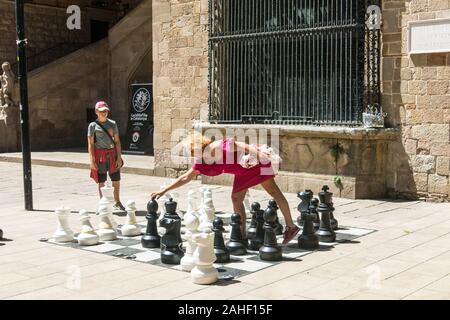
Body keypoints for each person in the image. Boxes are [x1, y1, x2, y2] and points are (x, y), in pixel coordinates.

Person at [150, 133, 300, 244]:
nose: (189, 154)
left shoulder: (216, 147)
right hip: (243, 171)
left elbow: (243, 146)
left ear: (196, 147)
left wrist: (261, 155)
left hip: (256, 162)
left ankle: (290, 227)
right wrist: (163, 191)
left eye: (189, 150)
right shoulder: (200, 161)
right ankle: (240, 234)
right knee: (236, 198)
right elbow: (185, 177)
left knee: (273, 192)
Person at [88, 101, 125, 212]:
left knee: (116, 180)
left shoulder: (112, 124)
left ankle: (117, 202)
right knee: (101, 181)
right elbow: (90, 144)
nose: (104, 113)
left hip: (112, 155)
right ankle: (103, 204)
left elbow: (117, 141)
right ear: (96, 112)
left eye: (105, 111)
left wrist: (119, 157)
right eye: (101, 111)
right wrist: (92, 160)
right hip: (100, 156)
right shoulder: (92, 126)